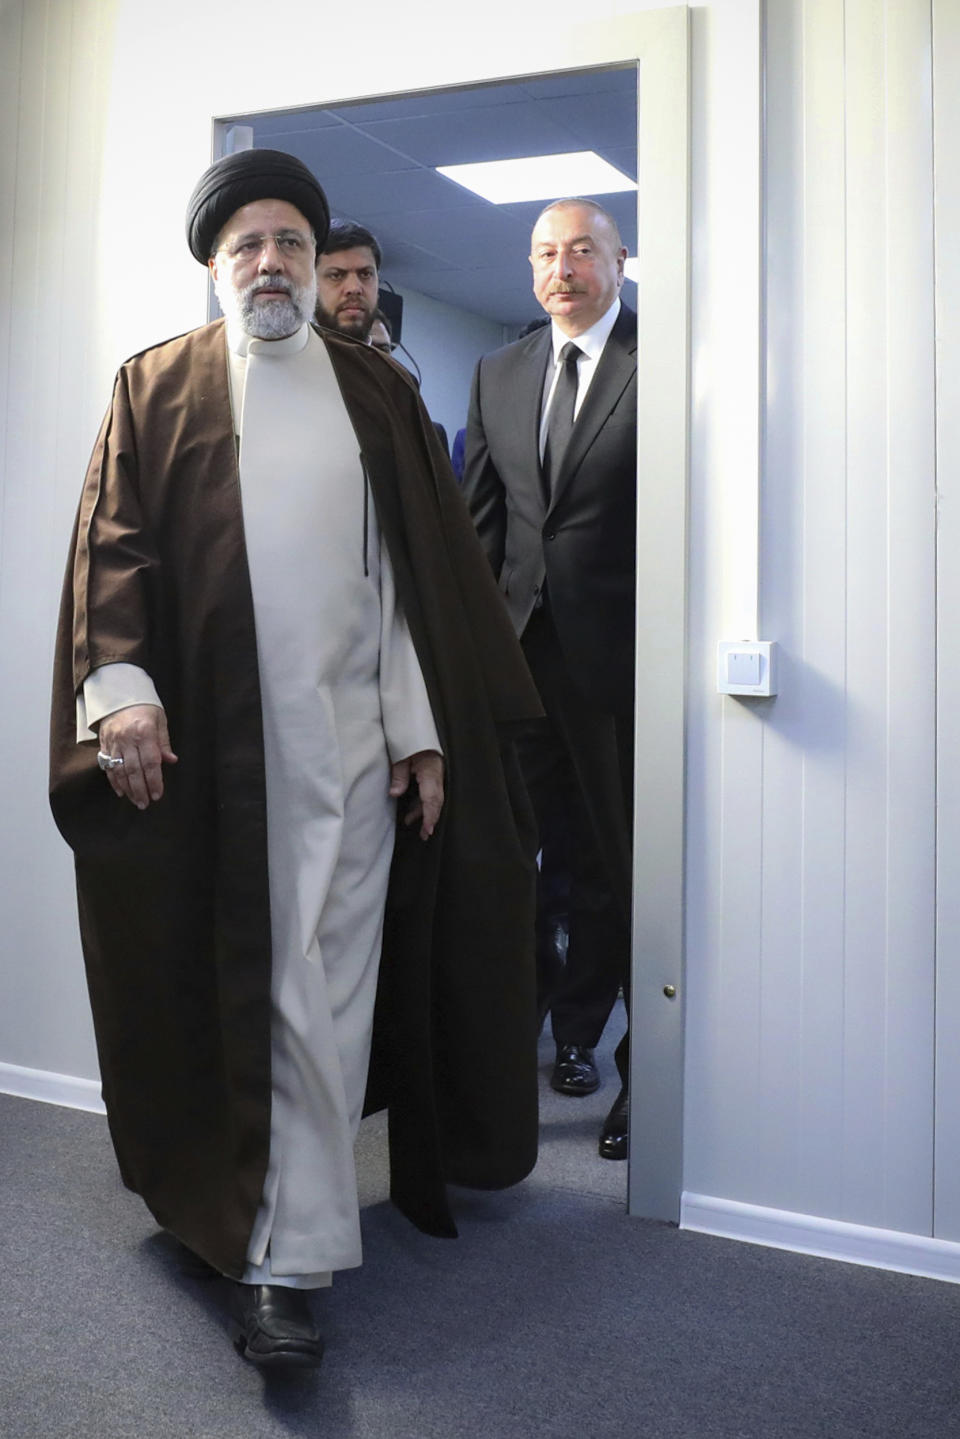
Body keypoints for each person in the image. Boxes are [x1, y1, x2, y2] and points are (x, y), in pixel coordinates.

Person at [49, 148, 542, 1369]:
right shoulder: (154, 388)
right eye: (247, 248)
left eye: (290, 245)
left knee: (328, 996)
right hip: (224, 754)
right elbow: (113, 548)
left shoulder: (374, 395)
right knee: (275, 995)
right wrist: (119, 692)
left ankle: (279, 1240)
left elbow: (407, 588)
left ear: (320, 266)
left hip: (357, 750)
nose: (271, 264)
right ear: (216, 270)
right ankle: (280, 1257)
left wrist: (423, 734)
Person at [462, 198, 636, 1161]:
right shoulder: (501, 369)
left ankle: (619, 1069)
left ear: (619, 260)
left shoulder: (663, 359)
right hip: (518, 663)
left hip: (620, 670)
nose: (560, 268)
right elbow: (480, 530)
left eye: (579, 250)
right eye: (543, 253)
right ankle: (510, 1066)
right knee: (506, 865)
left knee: (621, 873)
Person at [314, 219, 382, 342]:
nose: (354, 288)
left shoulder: (385, 362)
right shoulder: (283, 360)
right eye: (336, 275)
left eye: (366, 274)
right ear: (311, 286)